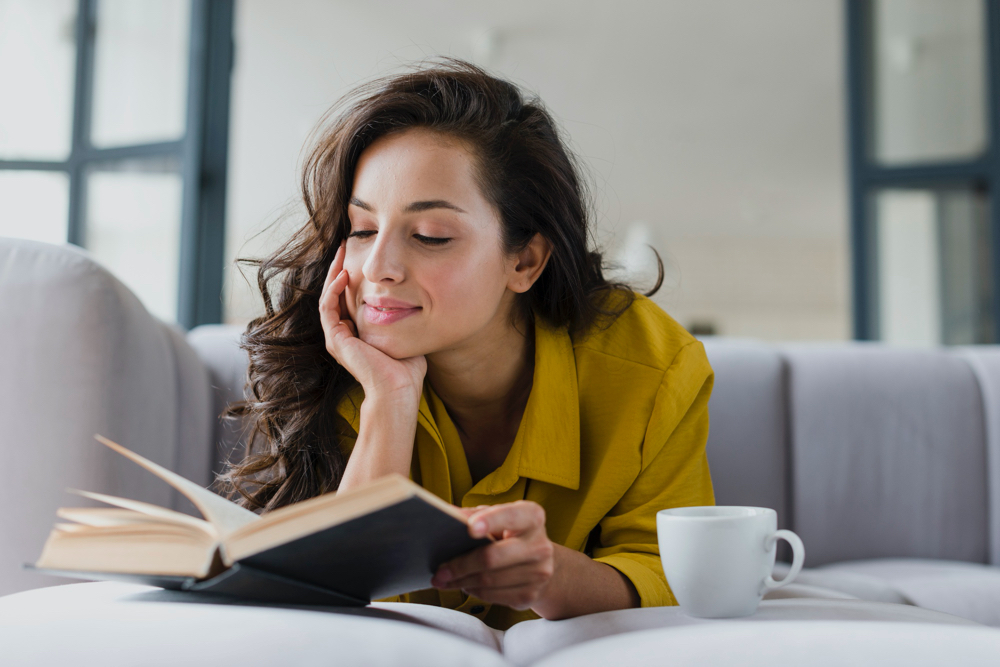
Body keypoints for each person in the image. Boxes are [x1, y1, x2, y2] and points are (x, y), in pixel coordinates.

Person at [222, 59, 715, 630]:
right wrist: (389, 397)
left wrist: (552, 575)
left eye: (430, 236)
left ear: (524, 260)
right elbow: (336, 597)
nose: (378, 267)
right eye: (361, 230)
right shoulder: (338, 356)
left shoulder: (655, 367)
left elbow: (674, 572)